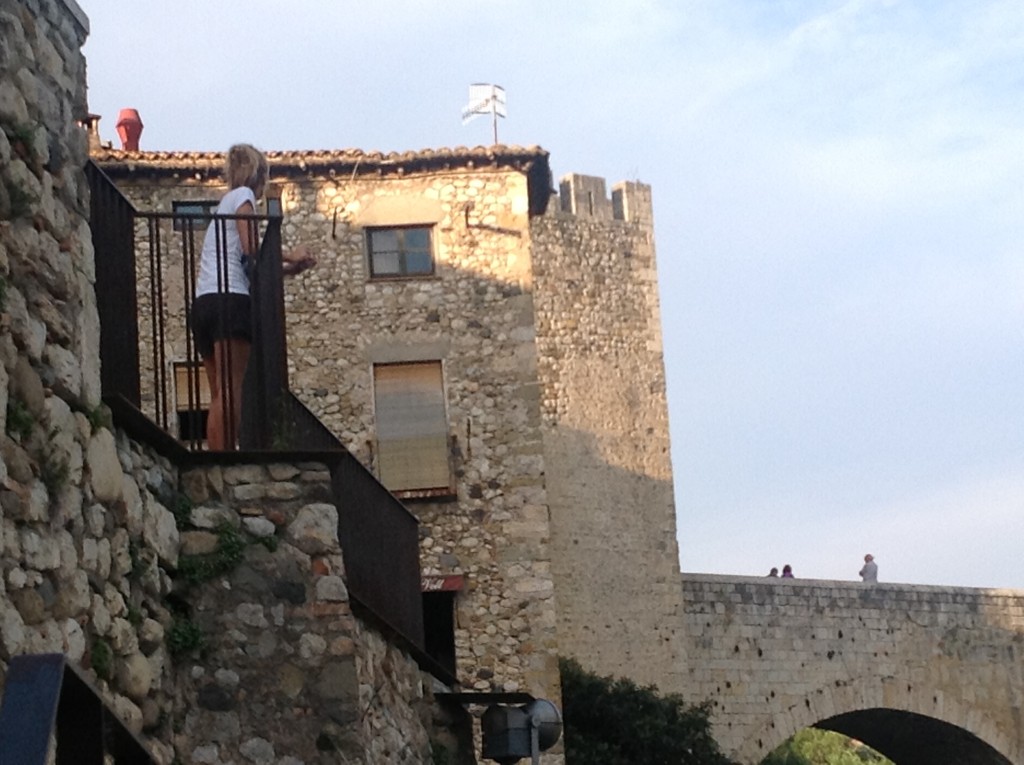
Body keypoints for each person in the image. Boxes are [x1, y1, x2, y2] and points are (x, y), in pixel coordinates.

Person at [191, 143, 316, 450]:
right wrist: (290, 254)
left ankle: (217, 460)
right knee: (231, 391)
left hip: (204, 304)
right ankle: (226, 458)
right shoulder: (244, 198)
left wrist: (287, 270)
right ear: (259, 175)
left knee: (218, 393)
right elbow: (251, 252)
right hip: (230, 303)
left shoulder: (224, 204)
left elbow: (249, 265)